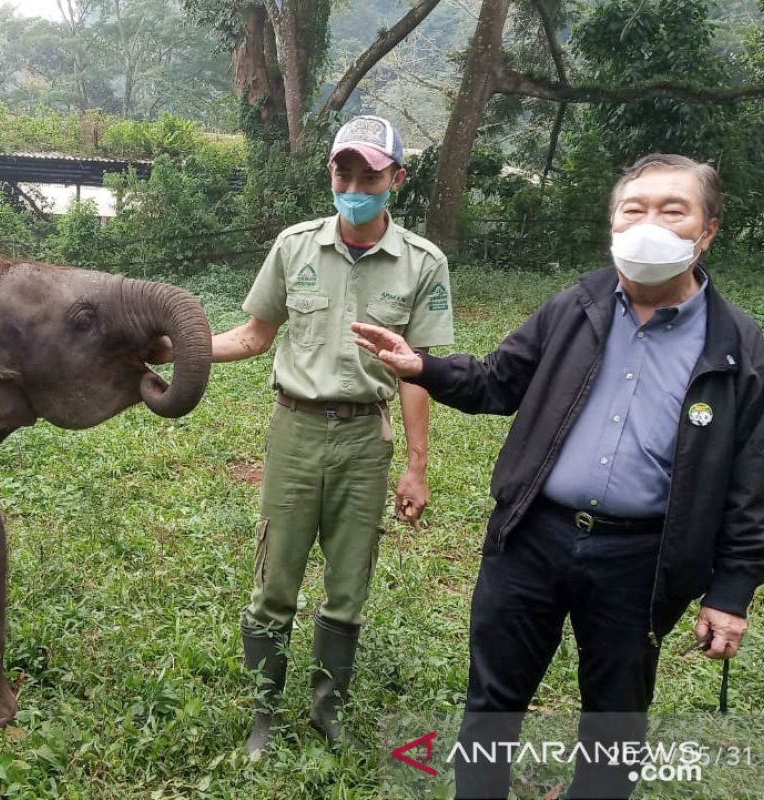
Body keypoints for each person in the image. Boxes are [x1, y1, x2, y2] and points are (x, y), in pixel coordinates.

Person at [353, 153, 764, 798]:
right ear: (613, 223)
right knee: (492, 700)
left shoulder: (738, 345)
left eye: (673, 209)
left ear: (707, 230)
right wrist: (422, 367)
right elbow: (497, 381)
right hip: (532, 538)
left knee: (616, 716)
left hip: (642, 558)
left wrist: (732, 591)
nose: (649, 223)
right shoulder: (578, 304)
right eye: (635, 208)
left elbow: (751, 482)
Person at [158, 115, 455, 754]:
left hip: (363, 443)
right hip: (293, 432)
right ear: (331, 173)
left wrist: (417, 464)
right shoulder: (294, 248)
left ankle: (328, 711)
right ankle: (263, 717)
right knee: (274, 584)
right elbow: (252, 336)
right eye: (344, 172)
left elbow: (416, 373)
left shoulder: (423, 264)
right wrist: (176, 350)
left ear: (395, 180)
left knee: (348, 588)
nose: (355, 184)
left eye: (370, 174)